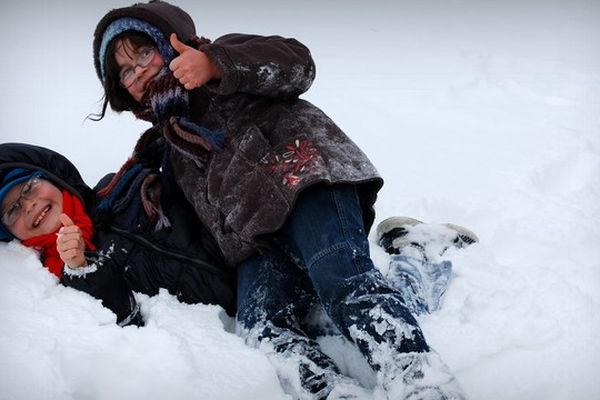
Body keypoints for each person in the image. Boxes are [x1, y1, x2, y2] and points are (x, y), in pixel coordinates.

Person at [91, 1, 471, 398]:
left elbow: (297, 64)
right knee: (260, 329)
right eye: (127, 72)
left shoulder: (223, 65)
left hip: (305, 184)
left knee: (342, 282)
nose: (139, 72)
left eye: (144, 53)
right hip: (257, 243)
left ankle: (418, 379)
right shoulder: (170, 146)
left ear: (170, 41)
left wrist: (217, 64)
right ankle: (332, 392)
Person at [0, 142, 236, 327]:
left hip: (246, 258)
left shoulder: (118, 188)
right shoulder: (58, 283)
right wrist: (82, 268)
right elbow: (130, 328)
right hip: (219, 338)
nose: (28, 205)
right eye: (12, 211)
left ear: (52, 178)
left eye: (29, 186)